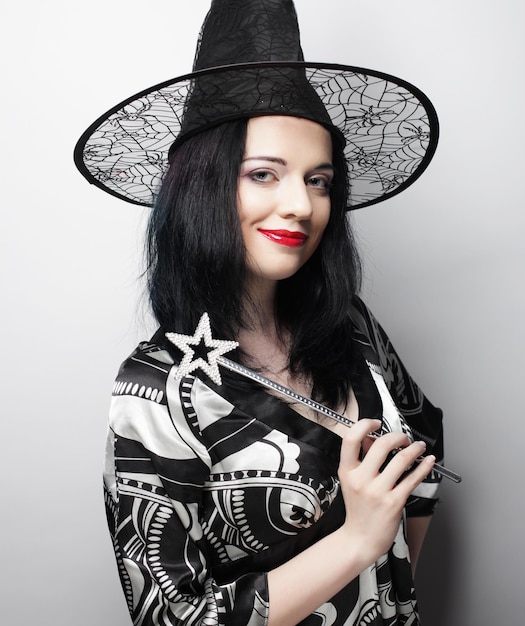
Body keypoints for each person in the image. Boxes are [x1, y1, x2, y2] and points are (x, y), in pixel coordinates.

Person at [75, 1, 445, 624]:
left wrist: (395, 593)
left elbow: (423, 438)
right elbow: (171, 617)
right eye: (264, 174)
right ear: (205, 185)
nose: (301, 204)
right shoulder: (156, 390)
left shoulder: (349, 324)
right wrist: (358, 542)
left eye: (319, 180)